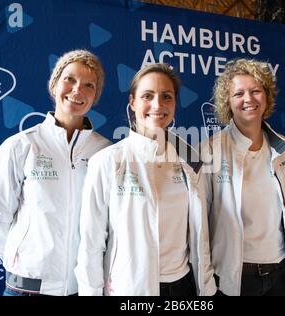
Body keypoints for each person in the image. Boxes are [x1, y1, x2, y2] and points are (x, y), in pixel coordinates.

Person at [74, 63, 216, 296]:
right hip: (130, 287)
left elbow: (200, 234)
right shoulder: (108, 161)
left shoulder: (190, 160)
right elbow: (91, 242)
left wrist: (207, 288)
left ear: (174, 105)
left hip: (183, 286)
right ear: (133, 102)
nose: (157, 105)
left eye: (166, 97)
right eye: (147, 96)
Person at [0, 49, 112, 296]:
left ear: (95, 95)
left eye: (88, 85)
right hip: (27, 285)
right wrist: (19, 261)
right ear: (55, 85)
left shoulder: (105, 151)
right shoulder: (20, 146)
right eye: (70, 79)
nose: (77, 90)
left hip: (82, 287)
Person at [200, 58, 285, 296]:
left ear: (266, 96)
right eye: (239, 94)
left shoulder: (283, 146)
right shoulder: (210, 150)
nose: (249, 99)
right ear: (227, 102)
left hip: (282, 272)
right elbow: (200, 221)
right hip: (237, 275)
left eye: (256, 91)